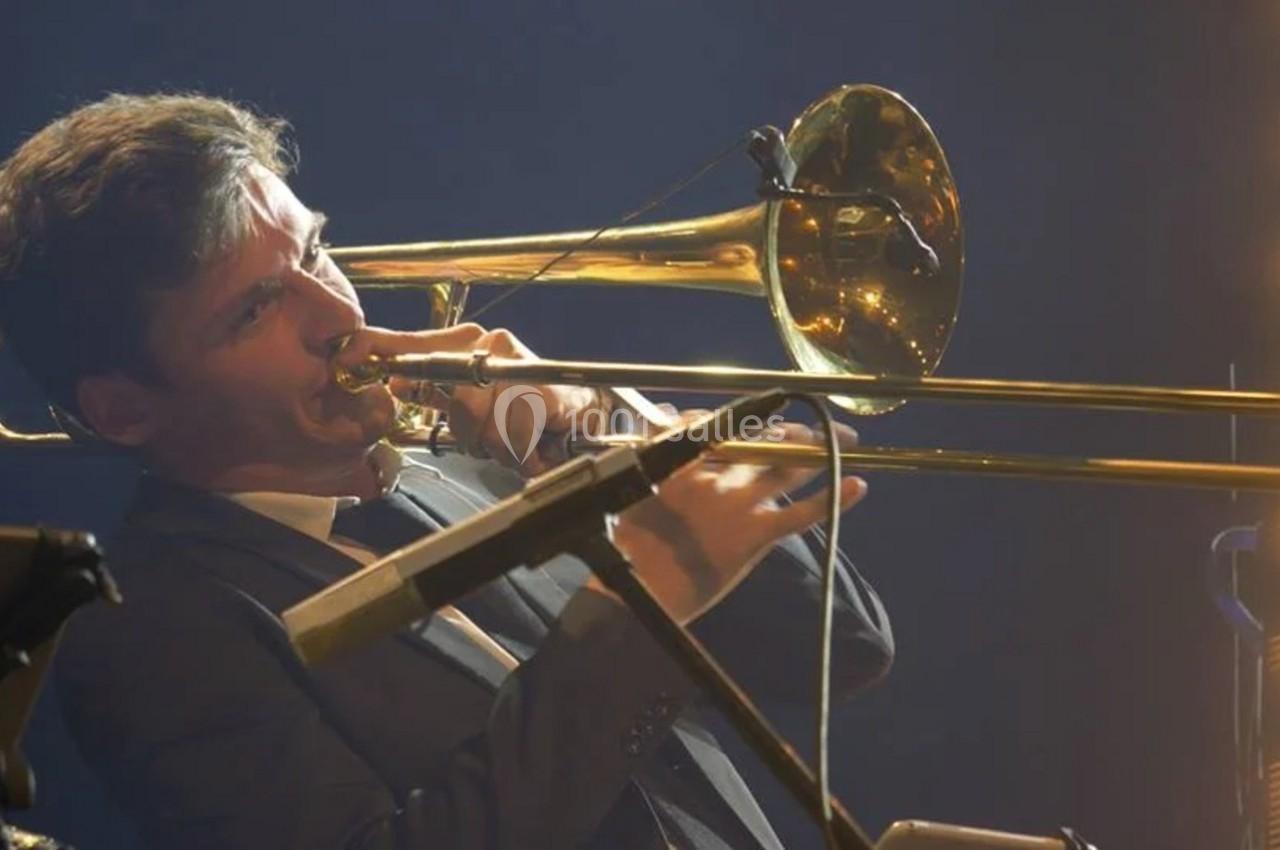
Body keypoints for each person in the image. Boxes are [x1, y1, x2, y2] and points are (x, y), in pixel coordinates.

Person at [0, 93, 893, 849]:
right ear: (123, 410)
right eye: (255, 311)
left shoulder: (478, 464)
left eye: (313, 252)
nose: (337, 316)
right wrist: (628, 608)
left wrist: (617, 439)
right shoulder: (148, 635)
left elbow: (843, 648)